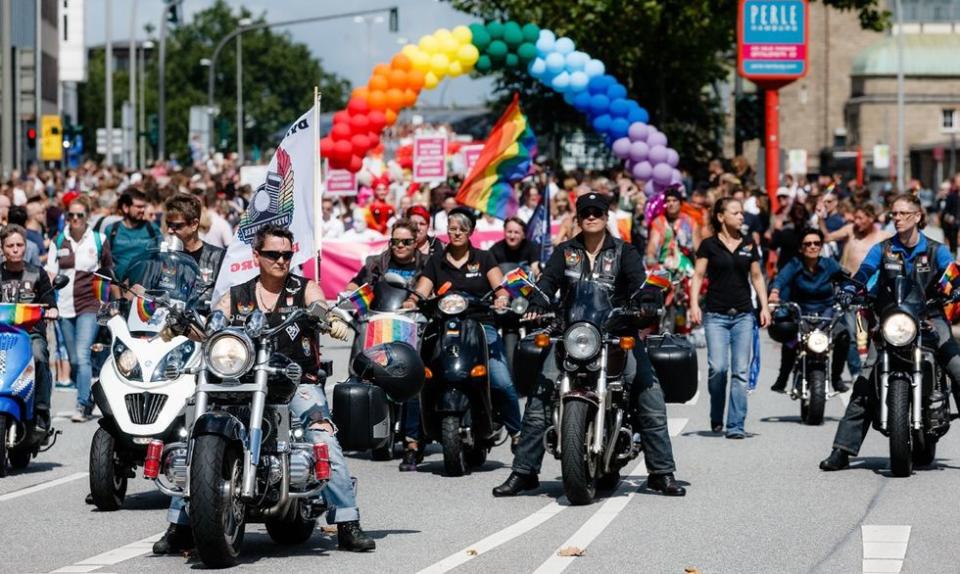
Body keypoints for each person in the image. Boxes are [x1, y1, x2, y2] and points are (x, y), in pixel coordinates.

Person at [153, 225, 375, 554]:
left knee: (322, 434)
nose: (281, 260)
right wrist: (184, 326)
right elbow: (215, 327)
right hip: (241, 381)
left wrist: (328, 319)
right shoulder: (238, 294)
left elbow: (319, 306)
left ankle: (347, 522)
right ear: (257, 256)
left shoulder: (304, 288)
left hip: (296, 382)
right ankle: (180, 524)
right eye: (273, 254)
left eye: (287, 255)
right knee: (193, 436)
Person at [492, 193, 687, 498]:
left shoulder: (625, 252)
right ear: (578, 218)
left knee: (649, 393)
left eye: (597, 212)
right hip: (574, 336)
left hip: (615, 334)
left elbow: (638, 285)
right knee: (540, 395)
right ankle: (524, 473)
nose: (591, 216)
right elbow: (547, 283)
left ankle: (662, 472)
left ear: (606, 216)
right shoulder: (565, 251)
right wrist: (536, 300)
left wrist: (646, 302)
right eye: (586, 212)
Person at [820, 194, 960, 471]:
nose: (897, 218)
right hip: (892, 321)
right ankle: (842, 451)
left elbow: (952, 272)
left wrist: (956, 286)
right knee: (865, 378)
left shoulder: (935, 250)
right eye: (894, 213)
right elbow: (865, 272)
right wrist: (851, 289)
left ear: (918, 217)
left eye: (903, 213)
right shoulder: (882, 250)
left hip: (930, 318)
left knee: (957, 367)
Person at [403, 207, 523, 444]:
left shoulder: (484, 258)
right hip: (442, 328)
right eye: (452, 228)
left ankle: (517, 433)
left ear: (471, 232)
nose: (456, 233)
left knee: (502, 381)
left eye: (462, 229)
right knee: (422, 377)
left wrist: (501, 298)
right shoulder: (436, 261)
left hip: (480, 326)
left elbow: (500, 289)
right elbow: (422, 289)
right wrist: (412, 300)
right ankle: (412, 439)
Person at [690, 197, 771, 438]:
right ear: (721, 217)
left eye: (741, 213)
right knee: (718, 368)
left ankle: (736, 425)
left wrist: (764, 307)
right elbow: (698, 275)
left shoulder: (748, 244)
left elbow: (757, 277)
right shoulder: (708, 245)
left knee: (740, 372)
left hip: (744, 315)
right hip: (716, 315)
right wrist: (694, 304)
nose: (741, 216)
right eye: (735, 213)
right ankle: (717, 413)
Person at [44, 197, 112, 422]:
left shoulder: (98, 240)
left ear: (87, 217)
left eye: (79, 215)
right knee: (73, 360)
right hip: (64, 306)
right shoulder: (59, 240)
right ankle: (88, 395)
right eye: (70, 215)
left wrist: (106, 302)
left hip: (89, 305)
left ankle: (82, 404)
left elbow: (107, 271)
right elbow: (51, 273)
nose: (74, 219)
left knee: (83, 356)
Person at [767, 228, 849, 394]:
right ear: (801, 248)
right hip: (800, 313)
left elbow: (845, 279)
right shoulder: (794, 264)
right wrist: (775, 292)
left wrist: (850, 292)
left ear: (821, 246)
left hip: (826, 314)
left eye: (817, 243)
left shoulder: (829, 264)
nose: (812, 247)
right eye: (808, 244)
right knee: (790, 340)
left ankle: (836, 377)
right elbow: (781, 279)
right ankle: (783, 377)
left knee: (844, 336)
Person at [0, 224, 58, 430]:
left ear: (25, 247)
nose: (15, 249)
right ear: (2, 248)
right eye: (10, 246)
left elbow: (49, 297)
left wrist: (52, 309)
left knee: (40, 355)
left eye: (19, 245)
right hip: (2, 336)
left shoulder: (37, 273)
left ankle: (42, 410)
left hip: (29, 334)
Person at [163, 193, 225, 304]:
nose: (170, 230)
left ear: (194, 224)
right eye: (168, 224)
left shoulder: (218, 258)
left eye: (177, 226)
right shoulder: (166, 257)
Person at [346, 219, 425, 291]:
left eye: (406, 242)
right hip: (380, 306)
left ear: (415, 243)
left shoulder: (426, 265)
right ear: (391, 243)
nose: (400, 245)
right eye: (396, 241)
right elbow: (356, 283)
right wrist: (350, 291)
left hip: (412, 306)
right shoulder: (375, 263)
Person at [106, 188, 160, 282]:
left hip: (144, 288)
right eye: (138, 207)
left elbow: (161, 255)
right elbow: (105, 260)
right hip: (117, 287)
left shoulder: (152, 228)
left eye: (143, 207)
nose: (142, 210)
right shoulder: (112, 230)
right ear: (126, 208)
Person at [645, 186, 700, 270]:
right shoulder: (658, 222)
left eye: (674, 200)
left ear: (680, 203)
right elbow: (652, 244)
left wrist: (699, 271)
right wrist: (650, 257)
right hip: (663, 267)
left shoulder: (691, 222)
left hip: (686, 268)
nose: (671, 204)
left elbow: (698, 250)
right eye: (668, 201)